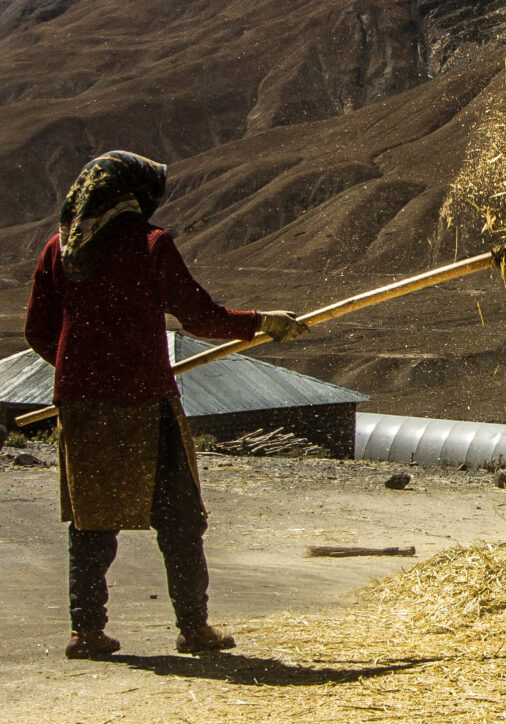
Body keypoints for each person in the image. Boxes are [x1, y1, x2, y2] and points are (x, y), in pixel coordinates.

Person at [24, 151, 309, 659]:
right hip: (142, 400)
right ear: (134, 195)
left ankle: (86, 632)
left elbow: (38, 333)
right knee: (179, 517)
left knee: (91, 520)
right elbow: (199, 316)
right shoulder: (151, 245)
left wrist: (84, 367)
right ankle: (194, 629)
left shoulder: (58, 250)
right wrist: (262, 320)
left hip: (82, 405)